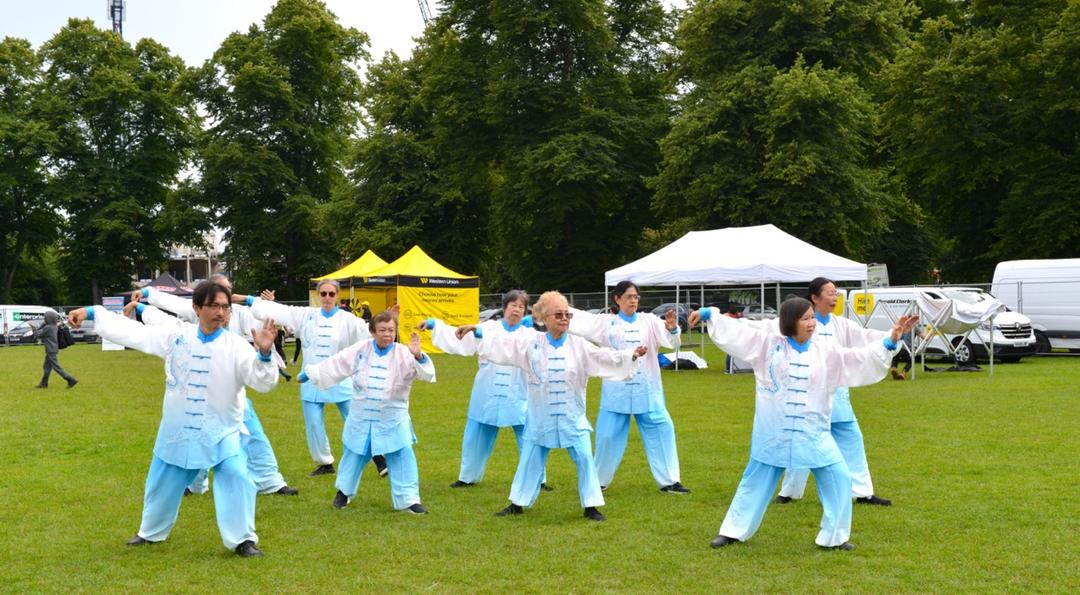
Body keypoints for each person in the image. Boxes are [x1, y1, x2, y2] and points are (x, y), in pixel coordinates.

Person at [67, 281, 280, 557]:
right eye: (213, 306)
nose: (221, 313)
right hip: (178, 429)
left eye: (225, 307)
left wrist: (263, 355)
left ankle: (243, 540)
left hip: (222, 430)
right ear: (196, 308)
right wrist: (92, 312)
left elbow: (262, 382)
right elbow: (135, 333)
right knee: (162, 482)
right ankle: (151, 532)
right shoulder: (177, 336)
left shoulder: (237, 346)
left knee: (237, 476)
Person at [688, 299, 917, 550]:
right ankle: (732, 531)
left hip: (813, 433)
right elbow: (739, 332)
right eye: (805, 318)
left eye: (812, 318)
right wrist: (710, 313)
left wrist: (889, 341)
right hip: (772, 432)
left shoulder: (826, 352)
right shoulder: (767, 345)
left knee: (839, 477)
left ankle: (835, 538)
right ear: (789, 322)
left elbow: (858, 359)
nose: (811, 323)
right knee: (755, 481)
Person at [458, 291, 647, 522]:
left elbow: (603, 357)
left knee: (585, 458)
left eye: (567, 314)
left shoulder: (579, 345)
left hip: (572, 415)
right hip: (541, 417)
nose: (564, 319)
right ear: (544, 318)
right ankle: (517, 503)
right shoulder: (531, 344)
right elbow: (503, 345)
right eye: (558, 315)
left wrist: (629, 356)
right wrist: (477, 331)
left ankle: (591, 506)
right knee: (529, 459)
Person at [126, 281, 300, 498]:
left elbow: (267, 317)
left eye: (227, 291)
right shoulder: (199, 312)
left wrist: (267, 306)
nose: (222, 305)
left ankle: (270, 481)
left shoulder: (240, 314)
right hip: (198, 393)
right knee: (196, 434)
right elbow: (169, 313)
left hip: (230, 394)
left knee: (253, 435)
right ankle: (194, 483)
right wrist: (144, 299)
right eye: (218, 290)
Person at [238, 280, 389, 477]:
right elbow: (281, 310)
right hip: (309, 379)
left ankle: (379, 458)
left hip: (339, 377)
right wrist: (250, 299)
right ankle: (324, 463)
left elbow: (368, 331)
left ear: (337, 295)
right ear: (318, 295)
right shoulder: (306, 315)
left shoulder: (347, 319)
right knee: (314, 424)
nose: (327, 298)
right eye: (323, 294)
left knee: (356, 419)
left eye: (331, 294)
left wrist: (387, 322)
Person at [299, 311, 435, 513]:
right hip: (361, 415)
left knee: (401, 453)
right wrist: (311, 373)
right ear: (372, 332)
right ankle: (343, 493)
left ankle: (408, 499)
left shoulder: (404, 353)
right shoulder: (361, 349)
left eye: (391, 330)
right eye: (382, 330)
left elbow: (427, 374)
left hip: (392, 417)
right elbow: (338, 363)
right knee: (354, 453)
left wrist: (419, 356)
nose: (387, 334)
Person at [775, 278, 895, 506]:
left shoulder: (842, 324)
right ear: (815, 298)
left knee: (852, 440)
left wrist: (892, 336)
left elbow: (866, 336)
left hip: (839, 397)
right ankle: (789, 491)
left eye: (836, 292)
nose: (835, 297)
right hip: (810, 398)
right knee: (801, 441)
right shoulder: (800, 324)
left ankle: (862, 492)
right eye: (830, 293)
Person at [566, 281, 688, 494]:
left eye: (636, 297)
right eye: (629, 297)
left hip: (648, 392)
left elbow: (673, 343)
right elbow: (580, 320)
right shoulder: (605, 323)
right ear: (617, 299)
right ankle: (598, 482)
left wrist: (672, 328)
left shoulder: (649, 321)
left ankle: (670, 481)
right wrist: (552, 308)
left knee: (663, 429)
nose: (633, 301)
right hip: (616, 392)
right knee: (607, 437)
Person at [422, 290, 549, 490]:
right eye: (513, 305)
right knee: (476, 434)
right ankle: (467, 476)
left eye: (521, 306)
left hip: (519, 391)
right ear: (505, 306)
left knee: (530, 435)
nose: (517, 310)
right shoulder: (488, 327)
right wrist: (434, 325)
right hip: (486, 390)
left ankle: (538, 478)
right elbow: (460, 338)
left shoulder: (530, 334)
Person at [34, 310, 77, 389]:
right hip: (53, 349)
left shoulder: (48, 327)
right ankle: (44, 383)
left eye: (45, 318)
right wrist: (42, 326)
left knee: (56, 367)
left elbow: (38, 335)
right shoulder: (53, 326)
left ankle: (71, 380)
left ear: (49, 318)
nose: (44, 319)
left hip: (50, 350)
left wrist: (34, 328)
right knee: (46, 367)